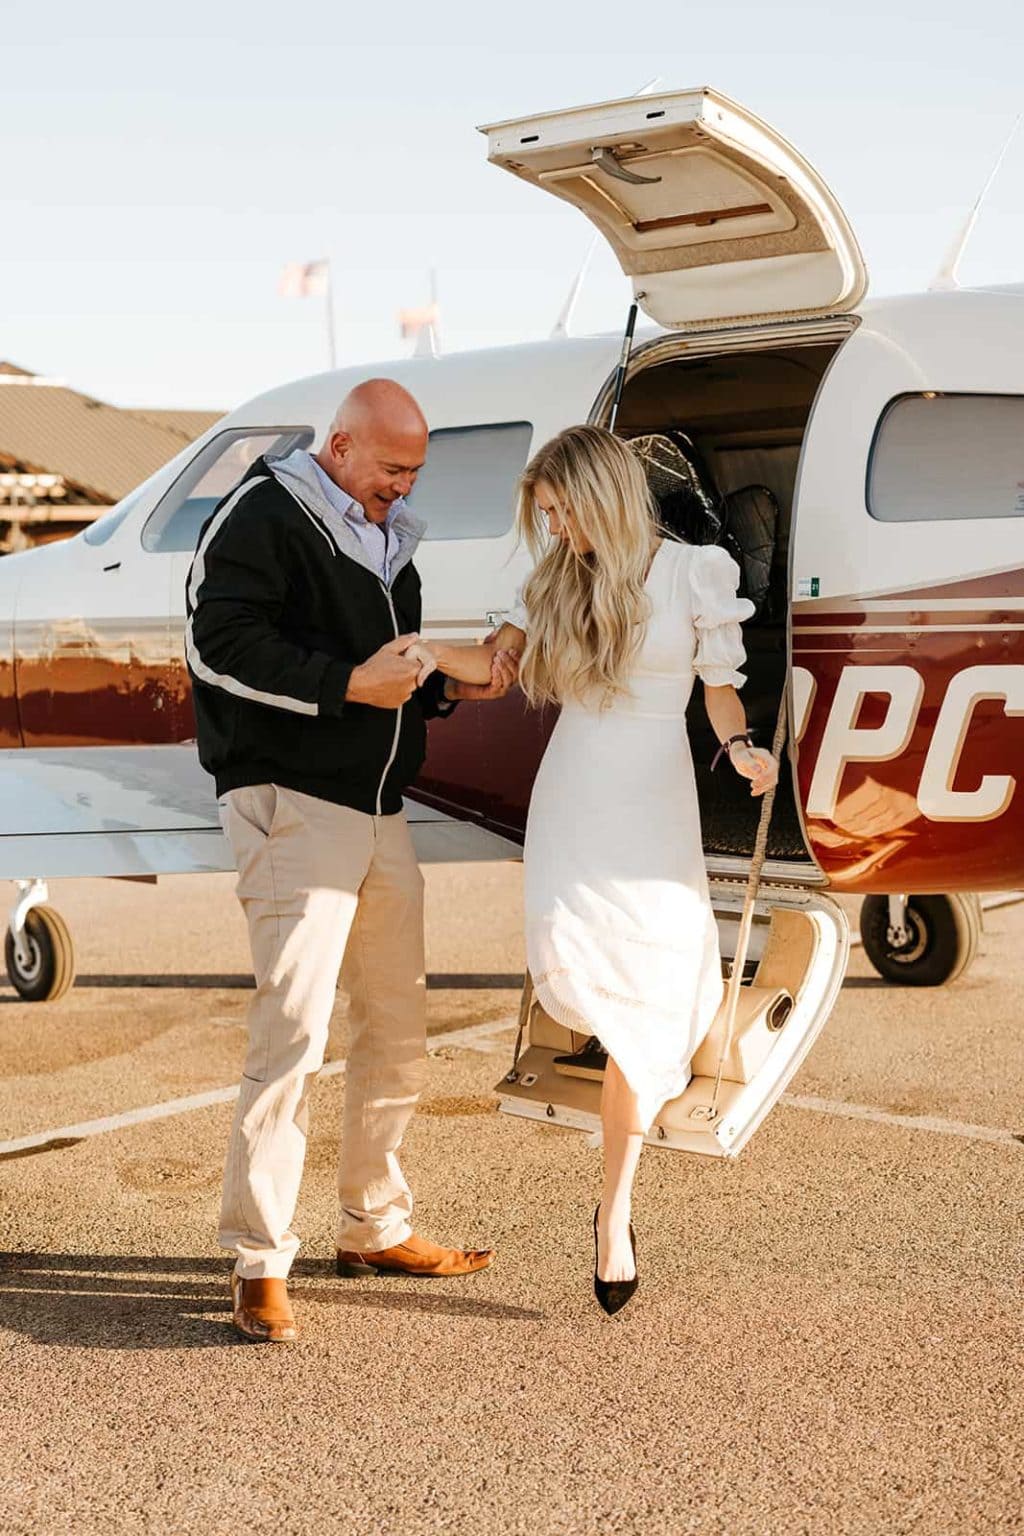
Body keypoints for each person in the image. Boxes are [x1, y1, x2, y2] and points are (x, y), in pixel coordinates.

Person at [413, 424, 778, 1316]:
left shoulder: (697, 572)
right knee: (599, 989)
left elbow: (717, 681)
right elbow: (494, 665)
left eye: (560, 508)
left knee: (647, 1008)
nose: (554, 527)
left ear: (602, 495)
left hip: (654, 799)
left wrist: (738, 747)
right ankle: (616, 1203)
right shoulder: (551, 582)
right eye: (543, 514)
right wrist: (425, 653)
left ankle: (613, 1209)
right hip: (577, 793)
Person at [186, 378, 519, 1343]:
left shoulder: (387, 534)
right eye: (389, 470)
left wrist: (457, 684)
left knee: (398, 1027)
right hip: (292, 804)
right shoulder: (262, 512)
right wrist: (344, 685)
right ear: (338, 447)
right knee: (290, 1031)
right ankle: (259, 1259)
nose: (401, 490)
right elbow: (219, 644)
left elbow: (390, 673)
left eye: (414, 474)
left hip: (378, 810)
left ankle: (374, 1226)